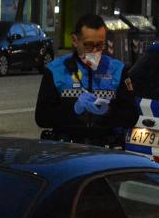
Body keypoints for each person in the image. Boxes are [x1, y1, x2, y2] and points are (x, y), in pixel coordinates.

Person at [35, 13, 139, 147]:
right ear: (74, 40)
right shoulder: (56, 71)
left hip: (105, 151)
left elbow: (132, 116)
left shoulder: (117, 70)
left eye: (100, 45)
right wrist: (73, 109)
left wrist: (108, 111)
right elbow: (42, 118)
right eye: (88, 45)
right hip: (68, 150)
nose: (95, 51)